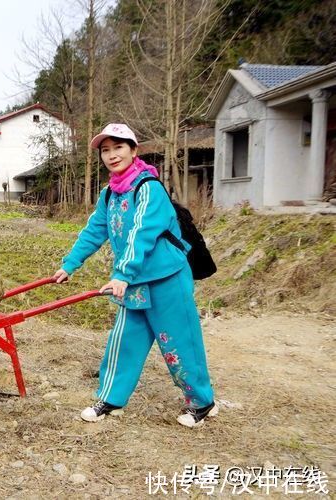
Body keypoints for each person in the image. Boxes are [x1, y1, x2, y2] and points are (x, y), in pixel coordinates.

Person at [52, 123, 216, 428]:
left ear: (133, 150)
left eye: (119, 147)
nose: (112, 155)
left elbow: (141, 234)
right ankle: (111, 399)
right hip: (134, 283)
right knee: (124, 341)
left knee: (179, 343)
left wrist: (122, 274)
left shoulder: (148, 188)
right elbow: (94, 232)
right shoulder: (109, 195)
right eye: (106, 150)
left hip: (167, 278)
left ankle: (202, 402)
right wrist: (69, 264)